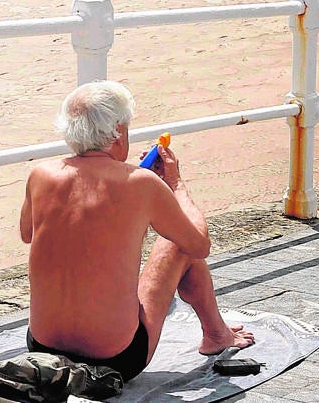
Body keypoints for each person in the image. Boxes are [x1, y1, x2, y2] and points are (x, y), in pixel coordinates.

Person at [20, 82, 254, 383]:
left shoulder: (40, 175)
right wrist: (176, 185)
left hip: (42, 348)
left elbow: (28, 234)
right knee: (178, 244)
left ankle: (216, 332)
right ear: (119, 131)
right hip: (116, 358)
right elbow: (199, 244)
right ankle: (216, 334)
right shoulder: (141, 183)